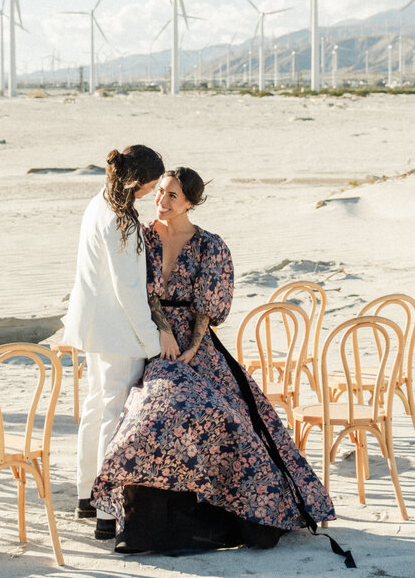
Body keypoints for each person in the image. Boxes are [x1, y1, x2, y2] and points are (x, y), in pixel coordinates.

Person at [91, 167, 345, 556]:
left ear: (191, 202)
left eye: (172, 195)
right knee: (157, 413)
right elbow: (142, 295)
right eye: (159, 191)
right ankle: (148, 525)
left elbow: (208, 310)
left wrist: (192, 348)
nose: (161, 200)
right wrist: (162, 332)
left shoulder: (211, 246)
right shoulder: (141, 238)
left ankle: (233, 517)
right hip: (153, 341)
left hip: (198, 344)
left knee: (229, 415)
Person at [62, 144, 179, 541]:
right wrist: (152, 340)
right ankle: (105, 515)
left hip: (94, 328)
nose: (150, 194)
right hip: (117, 333)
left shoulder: (98, 203)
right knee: (114, 418)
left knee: (97, 409)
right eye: (148, 186)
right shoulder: (121, 220)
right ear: (134, 181)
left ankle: (85, 494)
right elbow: (128, 291)